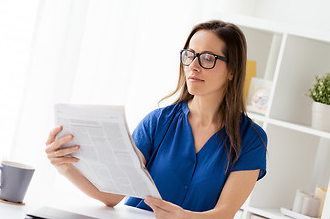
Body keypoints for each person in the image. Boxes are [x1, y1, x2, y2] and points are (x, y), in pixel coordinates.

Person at [45, 20, 267, 219]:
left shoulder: (251, 139)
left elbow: (224, 213)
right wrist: (64, 167)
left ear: (233, 71)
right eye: (189, 55)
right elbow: (112, 196)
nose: (193, 65)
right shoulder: (158, 122)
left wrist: (184, 218)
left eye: (208, 58)